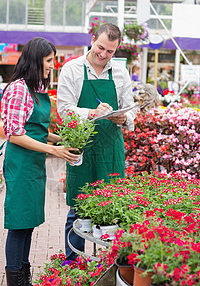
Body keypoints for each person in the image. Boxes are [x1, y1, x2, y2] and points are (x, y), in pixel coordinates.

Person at [1, 37, 78, 286]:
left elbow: (36, 130)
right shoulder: (18, 89)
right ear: (35, 61)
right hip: (21, 164)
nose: (52, 65)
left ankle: (24, 275)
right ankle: (15, 279)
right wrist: (54, 150)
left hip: (33, 165)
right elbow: (14, 134)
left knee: (29, 223)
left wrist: (62, 138)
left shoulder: (37, 91)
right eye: (48, 61)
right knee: (19, 223)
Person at [57, 23, 136, 260]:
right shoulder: (71, 69)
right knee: (78, 211)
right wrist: (92, 113)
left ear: (116, 50)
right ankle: (72, 265)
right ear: (93, 39)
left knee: (114, 210)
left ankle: (110, 264)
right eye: (100, 47)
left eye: (110, 51)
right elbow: (64, 110)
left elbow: (131, 111)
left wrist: (124, 117)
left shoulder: (121, 73)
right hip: (82, 149)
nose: (103, 54)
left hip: (111, 149)